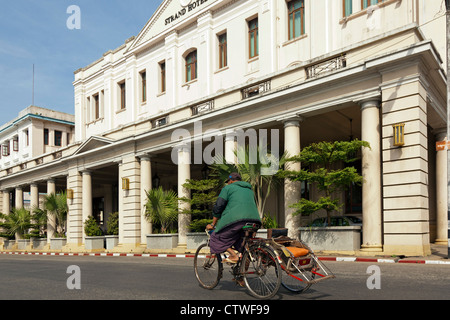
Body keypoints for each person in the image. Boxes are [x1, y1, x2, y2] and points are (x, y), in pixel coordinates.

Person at [206, 172, 261, 264]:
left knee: (216, 237)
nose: (227, 183)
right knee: (243, 246)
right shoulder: (249, 190)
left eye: (228, 181)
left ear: (231, 181)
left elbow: (219, 206)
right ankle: (241, 276)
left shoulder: (228, 188)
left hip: (237, 221)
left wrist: (213, 224)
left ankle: (233, 255)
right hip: (254, 221)